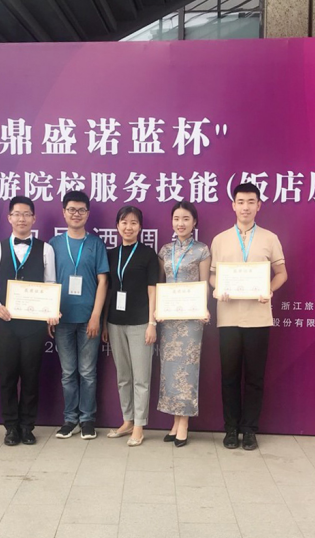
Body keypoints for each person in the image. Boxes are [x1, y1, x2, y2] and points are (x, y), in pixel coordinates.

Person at [209, 183, 287, 451]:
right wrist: (219, 287)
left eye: (250, 202)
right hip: (228, 318)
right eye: (240, 202)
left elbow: (282, 273)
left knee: (255, 377)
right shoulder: (220, 240)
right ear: (233, 205)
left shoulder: (270, 238)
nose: (245, 207)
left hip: (258, 319)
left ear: (258, 205)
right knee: (229, 376)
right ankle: (231, 429)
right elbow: (212, 275)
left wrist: (269, 290)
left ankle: (249, 430)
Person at [0, 195, 59, 446]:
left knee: (31, 375)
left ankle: (27, 426)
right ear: (9, 218)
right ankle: (10, 427)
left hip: (34, 324)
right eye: (17, 214)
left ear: (34, 218)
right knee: (7, 376)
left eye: (27, 214)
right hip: (6, 323)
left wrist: (50, 310)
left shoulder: (46, 249)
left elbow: (50, 283)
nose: (22, 218)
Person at [49, 191, 109, 440]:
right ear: (64, 212)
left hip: (88, 319)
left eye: (81, 210)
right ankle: (69, 419)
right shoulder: (53, 245)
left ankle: (87, 420)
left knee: (87, 372)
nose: (76, 214)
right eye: (71, 209)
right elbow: (48, 282)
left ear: (87, 213)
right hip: (62, 319)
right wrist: (49, 313)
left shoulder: (96, 244)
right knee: (68, 373)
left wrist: (96, 316)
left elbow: (103, 281)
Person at [155, 201, 211, 447]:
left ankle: (184, 423)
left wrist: (204, 308)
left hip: (191, 319)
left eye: (186, 219)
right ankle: (175, 421)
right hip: (168, 319)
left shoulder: (202, 250)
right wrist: (158, 309)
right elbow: (160, 283)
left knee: (187, 369)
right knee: (169, 368)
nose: (181, 223)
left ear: (194, 222)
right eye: (177, 218)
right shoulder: (165, 250)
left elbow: (204, 283)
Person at [102, 206, 158, 446]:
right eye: (124, 222)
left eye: (134, 223)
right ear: (117, 226)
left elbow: (153, 291)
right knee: (123, 376)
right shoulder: (111, 254)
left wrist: (152, 323)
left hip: (140, 323)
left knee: (141, 378)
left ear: (140, 227)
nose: (128, 227)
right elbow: (108, 290)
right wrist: (105, 323)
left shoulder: (148, 254)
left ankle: (139, 426)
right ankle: (127, 421)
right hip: (115, 323)